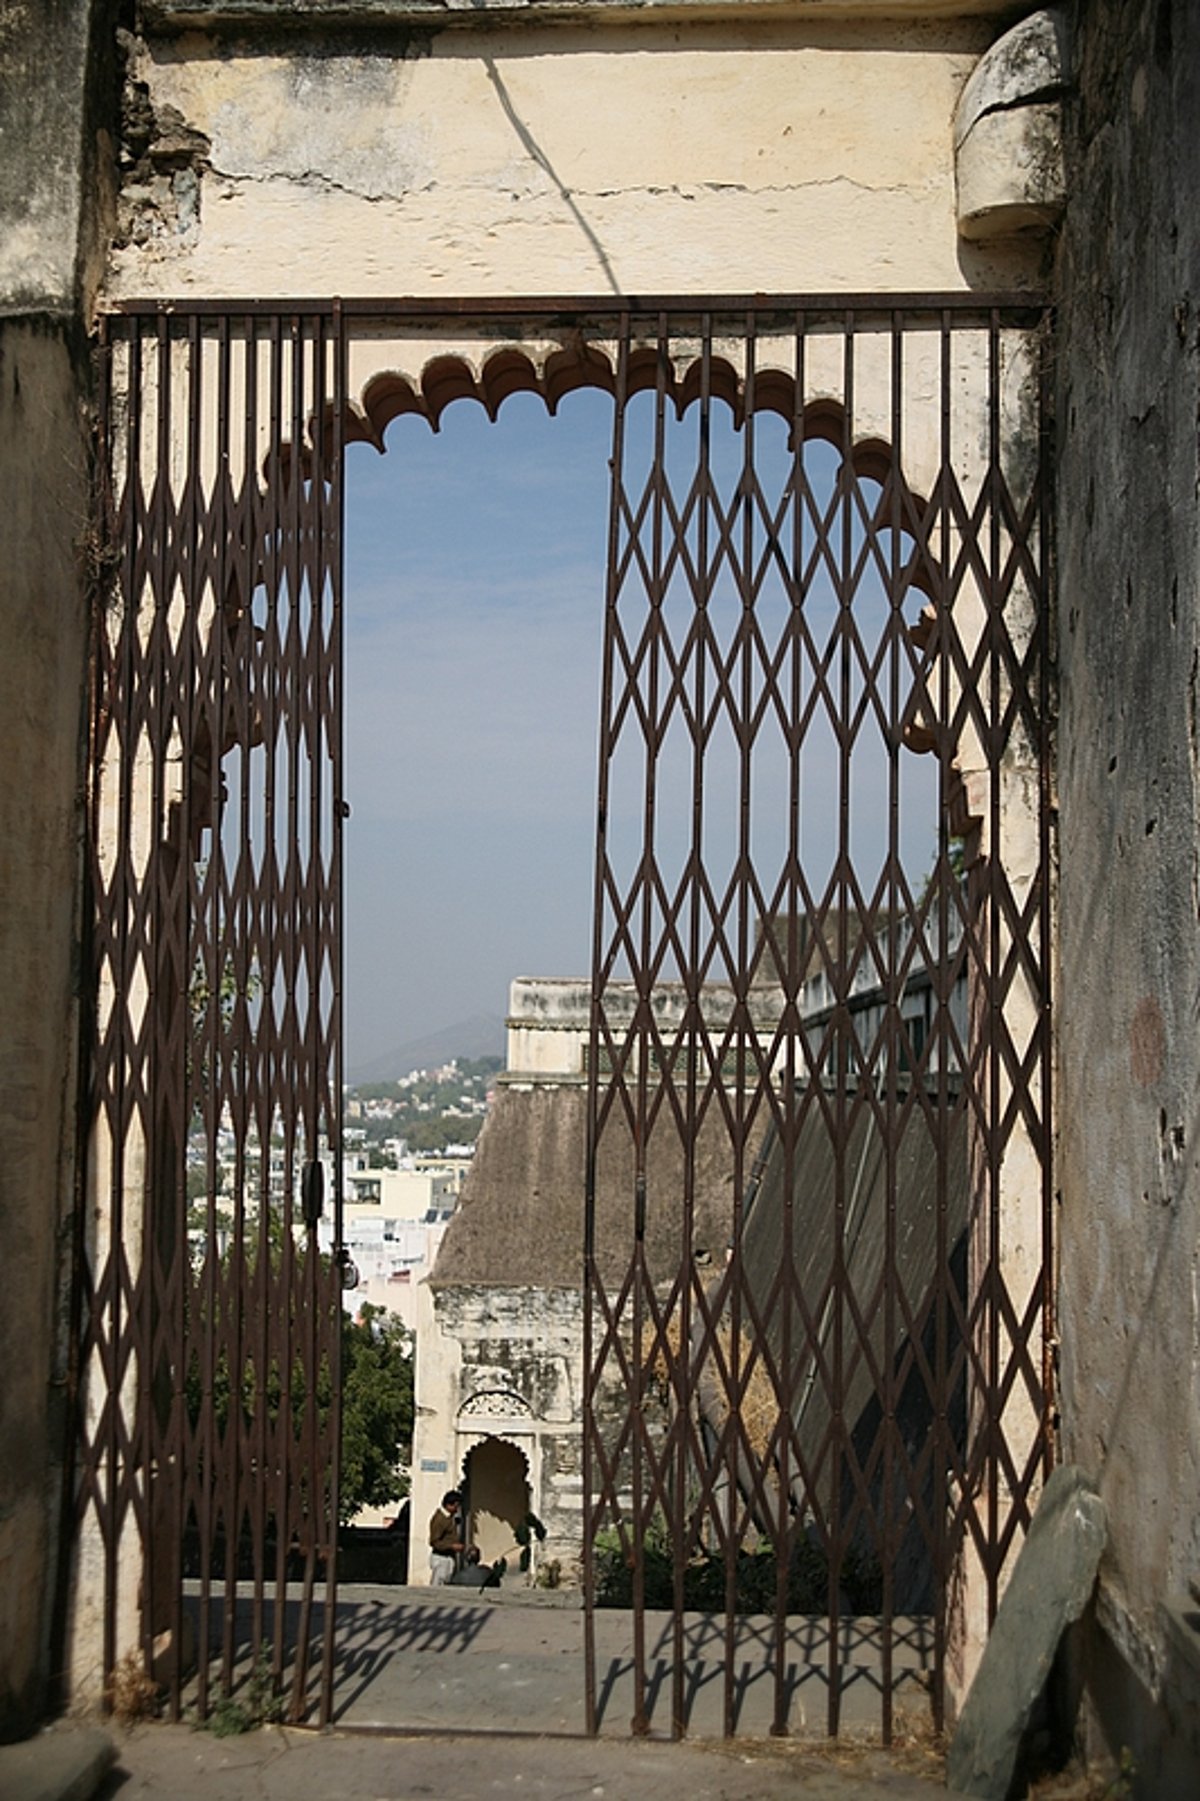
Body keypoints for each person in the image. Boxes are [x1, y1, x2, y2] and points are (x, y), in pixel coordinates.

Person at [428, 1489, 464, 1585]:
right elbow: (434, 1542)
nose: (457, 1509)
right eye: (456, 1506)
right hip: (441, 1558)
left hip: (449, 1557)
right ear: (449, 1505)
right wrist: (452, 1546)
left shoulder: (451, 1518)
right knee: (438, 1585)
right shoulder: (440, 1519)